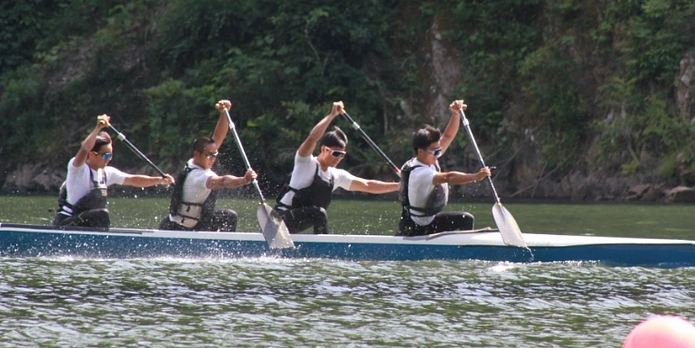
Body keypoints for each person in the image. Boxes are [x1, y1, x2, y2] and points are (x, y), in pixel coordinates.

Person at [275, 101, 400, 234]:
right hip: (279, 219)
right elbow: (312, 138)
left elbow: (368, 185)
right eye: (336, 153)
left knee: (319, 213)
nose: (338, 158)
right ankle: (324, 249)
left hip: (295, 224)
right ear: (323, 149)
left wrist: (399, 185)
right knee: (320, 213)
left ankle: (320, 247)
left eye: (342, 155)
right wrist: (332, 115)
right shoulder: (305, 163)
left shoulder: (336, 176)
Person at [53, 115, 175, 229]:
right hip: (66, 223)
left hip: (85, 224)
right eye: (106, 155)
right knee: (102, 214)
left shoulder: (107, 173)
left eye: (111, 155)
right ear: (92, 154)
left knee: (101, 214)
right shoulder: (78, 169)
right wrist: (98, 127)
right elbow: (84, 148)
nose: (109, 159)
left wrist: (159, 180)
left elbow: (133, 180)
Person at [159, 100, 258, 232]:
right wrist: (244, 180)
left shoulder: (193, 162)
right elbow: (223, 181)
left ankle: (222, 248)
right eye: (209, 155)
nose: (213, 159)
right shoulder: (200, 176)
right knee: (228, 216)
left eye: (215, 155)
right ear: (197, 154)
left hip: (190, 223)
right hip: (180, 228)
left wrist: (224, 113)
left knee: (229, 216)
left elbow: (217, 137)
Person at [397, 100, 492, 236]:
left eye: (439, 150)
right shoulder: (420, 173)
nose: (438, 154)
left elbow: (448, 135)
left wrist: (455, 114)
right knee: (466, 219)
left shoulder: (428, 157)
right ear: (420, 151)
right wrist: (475, 177)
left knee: (465, 219)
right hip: (416, 228)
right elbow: (448, 177)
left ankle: (461, 247)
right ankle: (462, 250)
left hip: (426, 221)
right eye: (434, 151)